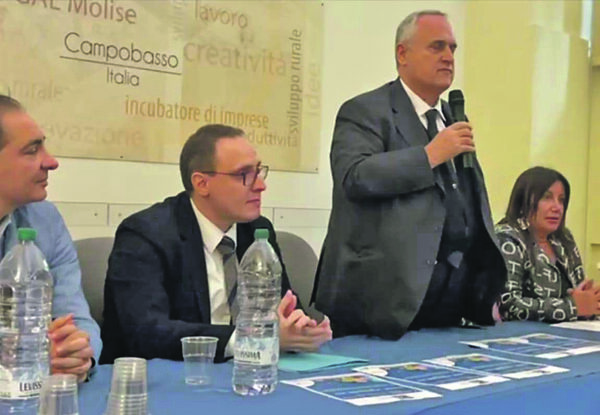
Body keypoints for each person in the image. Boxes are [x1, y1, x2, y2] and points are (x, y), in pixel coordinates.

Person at [311, 10, 506, 339]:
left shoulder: (451, 118)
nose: (448, 57)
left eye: (452, 48)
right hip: (379, 307)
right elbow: (354, 176)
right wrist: (428, 156)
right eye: (437, 46)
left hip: (447, 306)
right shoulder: (365, 111)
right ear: (403, 54)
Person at [100, 124, 332, 364]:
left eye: (259, 171)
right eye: (244, 174)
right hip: (167, 377)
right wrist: (250, 340)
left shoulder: (256, 231)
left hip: (249, 371)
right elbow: (148, 332)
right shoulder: (145, 234)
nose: (261, 185)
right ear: (202, 183)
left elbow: (284, 308)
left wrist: (302, 328)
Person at [0, 95, 101, 381]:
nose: (52, 162)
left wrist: (78, 355)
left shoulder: (45, 219)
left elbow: (76, 319)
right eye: (32, 150)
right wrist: (30, 361)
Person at [496, 167, 600, 322]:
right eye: (547, 198)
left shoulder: (564, 239)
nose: (557, 207)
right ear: (524, 201)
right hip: (520, 334)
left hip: (568, 331)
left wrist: (591, 301)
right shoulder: (507, 238)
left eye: (561, 200)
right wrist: (572, 307)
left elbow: (579, 296)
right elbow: (508, 305)